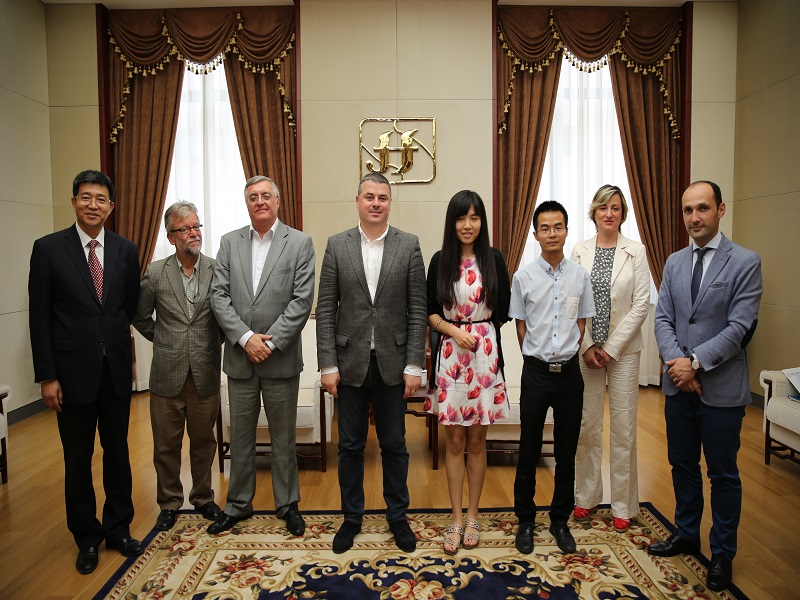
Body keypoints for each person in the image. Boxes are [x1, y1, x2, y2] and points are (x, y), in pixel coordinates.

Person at [28, 170, 142, 574]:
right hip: (70, 373)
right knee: (77, 459)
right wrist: (47, 375)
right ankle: (87, 537)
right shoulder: (48, 249)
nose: (93, 205)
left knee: (118, 453)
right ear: (74, 201)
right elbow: (39, 318)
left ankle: (118, 529)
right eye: (86, 197)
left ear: (111, 206)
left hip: (114, 372)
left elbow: (127, 308)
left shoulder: (126, 250)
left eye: (101, 199)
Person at [651, 180, 762, 592]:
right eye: (688, 210)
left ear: (720, 210)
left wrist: (694, 363)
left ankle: (722, 553)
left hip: (721, 389)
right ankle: (686, 533)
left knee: (722, 474)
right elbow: (663, 318)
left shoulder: (745, 262)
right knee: (682, 465)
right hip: (678, 386)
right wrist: (677, 365)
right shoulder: (674, 262)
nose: (694, 217)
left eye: (702, 208)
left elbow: (740, 327)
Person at [316, 172, 427, 554]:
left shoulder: (409, 245)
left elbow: (417, 309)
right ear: (358, 200)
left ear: (389, 202)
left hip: (394, 364)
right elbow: (326, 309)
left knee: (394, 445)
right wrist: (327, 364)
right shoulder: (337, 245)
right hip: (349, 363)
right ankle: (352, 518)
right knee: (350, 446)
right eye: (369, 196)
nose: (376, 203)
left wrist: (414, 365)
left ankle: (398, 517)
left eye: (382, 197)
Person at [208, 176, 315, 537]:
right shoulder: (229, 242)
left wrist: (267, 344)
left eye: (266, 195)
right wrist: (245, 338)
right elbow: (219, 297)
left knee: (283, 438)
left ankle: (288, 505)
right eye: (253, 197)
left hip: (279, 359)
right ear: (247, 204)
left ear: (278, 201)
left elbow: (302, 301)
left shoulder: (299, 243)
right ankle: (238, 505)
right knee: (240, 438)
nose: (260, 201)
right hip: (240, 359)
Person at [424, 190, 511, 554]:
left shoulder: (494, 258)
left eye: (474, 218)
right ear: (452, 222)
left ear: (482, 222)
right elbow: (429, 310)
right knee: (455, 442)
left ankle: (474, 515)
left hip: (484, 358)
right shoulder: (440, 260)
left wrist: (479, 332)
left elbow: (503, 309)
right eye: (461, 218)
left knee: (477, 442)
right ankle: (456, 518)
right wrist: (454, 331)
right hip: (451, 356)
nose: (467, 224)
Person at [509, 200, 595, 556]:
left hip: (570, 376)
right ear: (535, 234)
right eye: (544, 228)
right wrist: (537, 357)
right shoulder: (523, 277)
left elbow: (581, 322)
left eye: (558, 227)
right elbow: (520, 326)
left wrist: (565, 352)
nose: (552, 233)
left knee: (566, 451)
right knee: (528, 449)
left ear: (566, 231)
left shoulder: (580, 276)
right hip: (536, 374)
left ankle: (560, 520)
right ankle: (526, 520)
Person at [132, 202, 223, 532]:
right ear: (171, 237)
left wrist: (211, 343)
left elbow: (226, 318)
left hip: (205, 372)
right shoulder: (156, 272)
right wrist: (166, 340)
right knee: (166, 446)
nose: (193, 233)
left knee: (204, 443)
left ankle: (203, 497)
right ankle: (169, 503)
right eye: (185, 229)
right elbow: (141, 316)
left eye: (197, 226)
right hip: (166, 375)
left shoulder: (217, 270)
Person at [570, 185, 651, 533]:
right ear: (594, 212)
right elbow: (572, 300)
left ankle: (623, 505)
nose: (609, 213)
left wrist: (611, 348)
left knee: (623, 428)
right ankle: (586, 497)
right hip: (587, 351)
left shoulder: (636, 251)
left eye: (615, 208)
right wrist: (588, 346)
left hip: (624, 353)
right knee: (587, 426)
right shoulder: (580, 250)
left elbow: (641, 304)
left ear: (622, 214)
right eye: (603, 207)